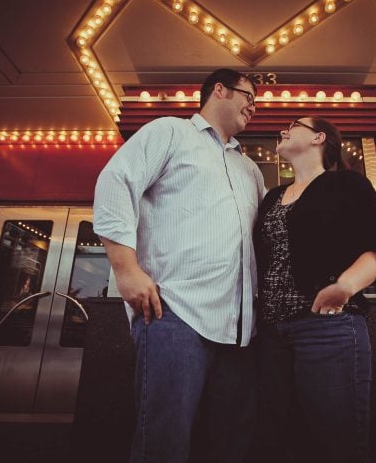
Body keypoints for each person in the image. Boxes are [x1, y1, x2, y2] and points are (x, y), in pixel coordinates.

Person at [93, 68, 265, 463]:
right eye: (248, 96)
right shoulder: (169, 132)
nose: (253, 107)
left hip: (241, 331)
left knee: (231, 445)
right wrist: (125, 269)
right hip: (174, 313)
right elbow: (115, 182)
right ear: (218, 90)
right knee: (163, 443)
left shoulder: (250, 168)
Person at [253, 117, 376, 462]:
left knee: (336, 440)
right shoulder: (272, 197)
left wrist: (344, 286)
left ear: (319, 137)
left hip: (327, 328)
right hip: (271, 334)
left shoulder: (349, 185)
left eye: (293, 124)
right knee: (281, 439)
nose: (283, 131)